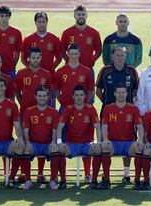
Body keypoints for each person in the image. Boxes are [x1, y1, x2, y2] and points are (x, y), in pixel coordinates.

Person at [96, 46, 139, 182]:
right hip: (108, 111)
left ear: (125, 56)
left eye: (122, 55)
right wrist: (108, 104)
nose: (120, 58)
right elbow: (98, 90)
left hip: (127, 112)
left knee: (128, 137)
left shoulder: (131, 71)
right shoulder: (105, 71)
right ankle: (105, 174)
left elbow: (135, 91)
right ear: (112, 56)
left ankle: (126, 174)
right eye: (117, 55)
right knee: (105, 140)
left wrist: (126, 103)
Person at [53, 44, 94, 182]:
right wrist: (65, 103)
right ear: (68, 54)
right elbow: (56, 91)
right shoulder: (60, 71)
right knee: (63, 141)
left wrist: (82, 105)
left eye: (76, 53)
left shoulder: (86, 71)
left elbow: (90, 91)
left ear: (79, 54)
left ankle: (88, 174)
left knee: (86, 138)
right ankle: (61, 175)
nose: (74, 56)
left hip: (83, 109)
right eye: (72, 53)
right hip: (65, 109)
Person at [9, 87, 59, 189]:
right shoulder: (29, 111)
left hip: (47, 144)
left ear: (48, 97)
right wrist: (27, 142)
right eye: (40, 96)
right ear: (36, 96)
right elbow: (26, 129)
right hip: (33, 144)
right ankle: (28, 180)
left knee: (55, 149)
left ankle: (53, 180)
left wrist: (54, 142)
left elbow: (55, 130)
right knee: (26, 150)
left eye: (44, 96)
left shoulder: (53, 112)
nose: (42, 98)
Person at [55, 85, 102, 190]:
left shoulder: (90, 108)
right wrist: (59, 142)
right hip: (71, 144)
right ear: (73, 96)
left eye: (81, 95)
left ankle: (93, 180)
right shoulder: (68, 109)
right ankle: (63, 180)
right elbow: (60, 126)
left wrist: (98, 143)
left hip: (87, 143)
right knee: (59, 150)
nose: (79, 97)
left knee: (98, 150)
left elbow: (98, 127)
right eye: (77, 95)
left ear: (85, 96)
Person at [100, 83, 144, 190]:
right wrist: (105, 140)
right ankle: (106, 179)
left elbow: (140, 126)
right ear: (114, 94)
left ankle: (137, 180)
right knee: (104, 147)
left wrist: (141, 140)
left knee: (139, 147)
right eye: (118, 92)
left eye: (123, 92)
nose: (121, 95)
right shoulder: (108, 108)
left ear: (127, 93)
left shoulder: (133, 108)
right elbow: (104, 127)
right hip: (113, 143)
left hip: (129, 143)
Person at [61, 4, 101, 103]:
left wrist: (92, 60)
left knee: (88, 99)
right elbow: (62, 50)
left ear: (86, 15)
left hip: (88, 69)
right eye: (79, 14)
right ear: (75, 15)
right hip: (70, 70)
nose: (81, 16)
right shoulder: (67, 32)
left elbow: (99, 50)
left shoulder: (94, 32)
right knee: (70, 99)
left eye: (83, 14)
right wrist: (69, 61)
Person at [21, 11, 62, 76]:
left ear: (47, 22)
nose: (41, 24)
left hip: (50, 74)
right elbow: (23, 59)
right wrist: (33, 68)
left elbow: (59, 58)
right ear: (35, 23)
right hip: (33, 75)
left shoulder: (55, 39)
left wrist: (51, 68)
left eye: (43, 21)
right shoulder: (28, 39)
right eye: (39, 22)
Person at [16, 47, 53, 115]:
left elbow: (49, 92)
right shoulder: (21, 73)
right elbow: (17, 91)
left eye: (37, 58)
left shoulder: (47, 74)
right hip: (25, 110)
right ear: (29, 58)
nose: (35, 60)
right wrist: (22, 103)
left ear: (41, 58)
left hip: (41, 111)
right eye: (33, 58)